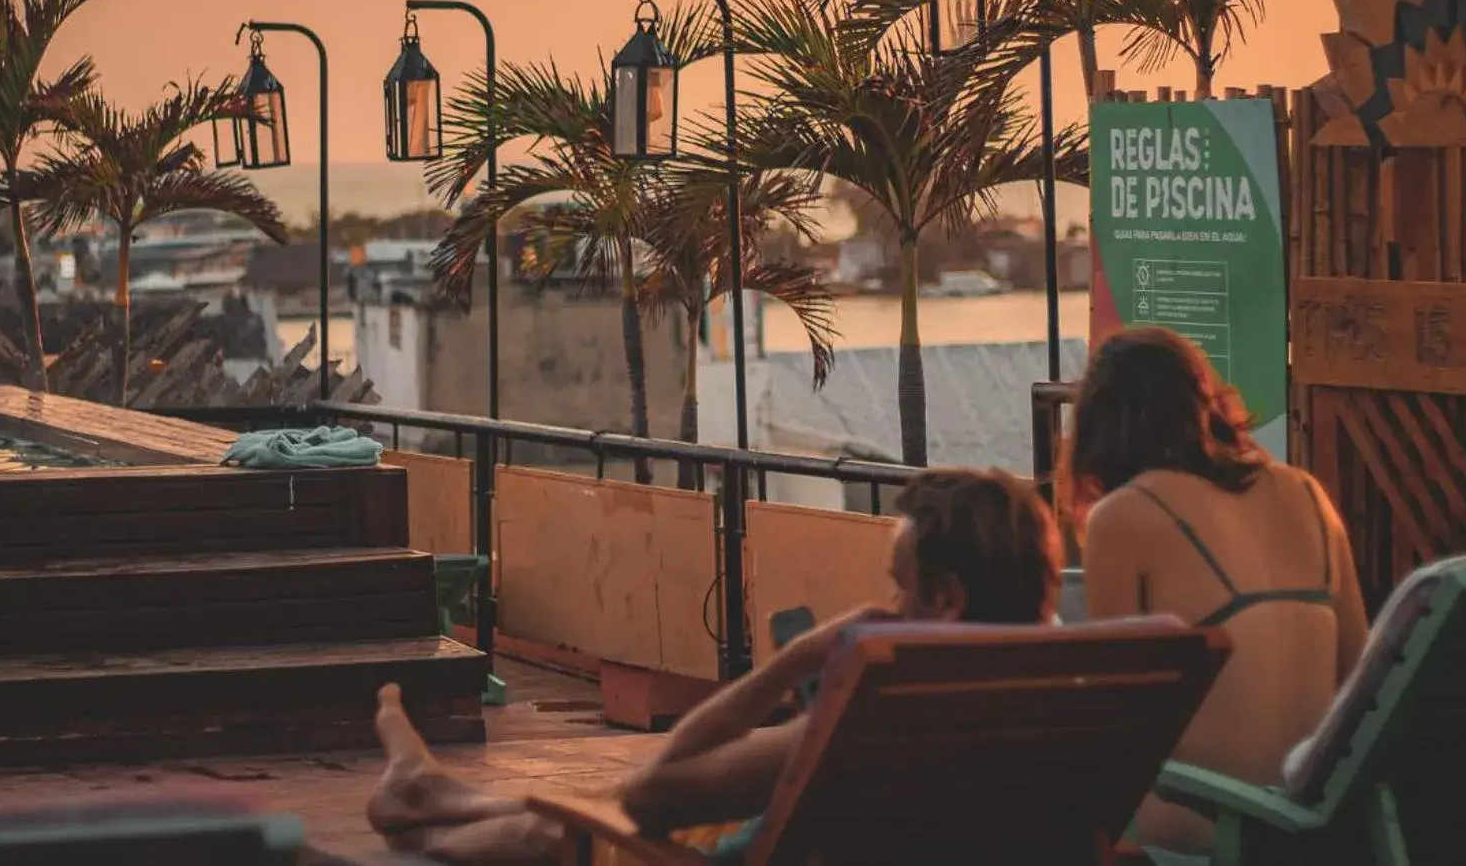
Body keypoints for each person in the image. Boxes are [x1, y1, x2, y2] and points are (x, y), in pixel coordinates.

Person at [363, 467, 1062, 864]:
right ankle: (432, 797)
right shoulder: (1066, 690)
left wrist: (798, 659)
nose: (886, 602)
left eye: (899, 583)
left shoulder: (887, 717)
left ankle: (425, 818)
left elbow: (652, 793)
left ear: (946, 597)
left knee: (588, 828)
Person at [1070, 327, 1367, 855]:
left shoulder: (1125, 515)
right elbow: (1358, 678)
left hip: (1211, 827)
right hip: (1316, 827)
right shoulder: (1306, 493)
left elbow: (1116, 723)